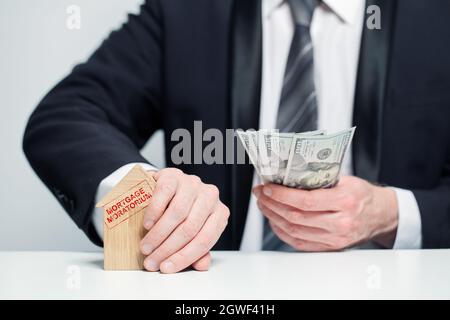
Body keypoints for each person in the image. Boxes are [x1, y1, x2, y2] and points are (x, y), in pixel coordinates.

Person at [23, 0, 450, 274]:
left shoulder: (437, 16)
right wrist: (142, 194)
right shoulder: (185, 12)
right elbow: (66, 116)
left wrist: (392, 212)